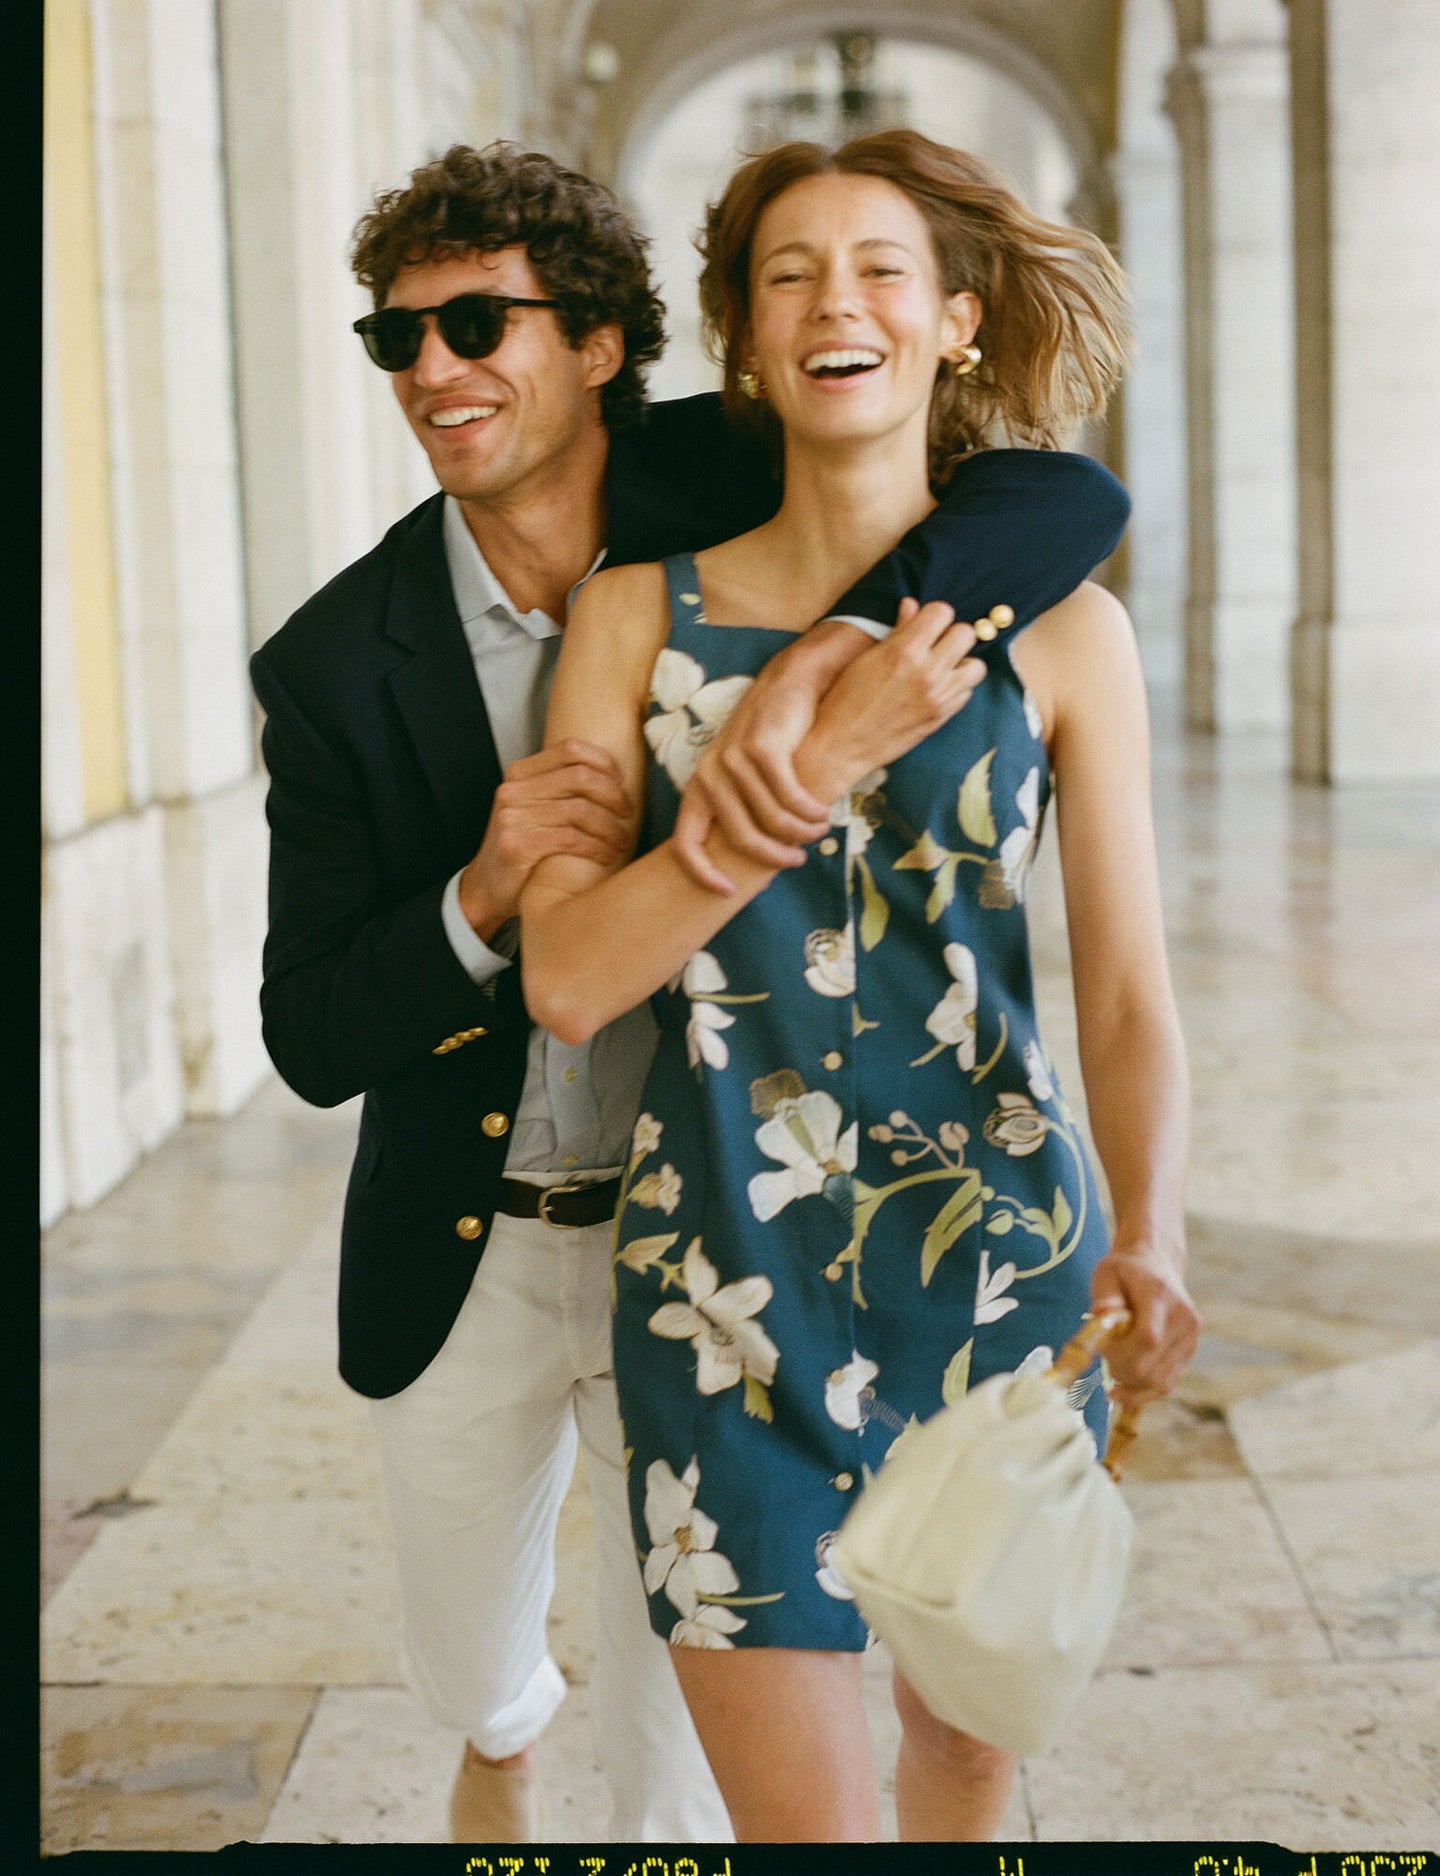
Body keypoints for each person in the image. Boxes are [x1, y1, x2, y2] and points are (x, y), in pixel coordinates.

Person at [250, 141, 1129, 1844]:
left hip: (713, 1213)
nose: (433, 369)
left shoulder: (724, 477)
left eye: (477, 324)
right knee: (471, 1656)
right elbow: (309, 1033)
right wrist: (480, 892)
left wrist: (836, 658)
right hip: (479, 1228)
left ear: (599, 346)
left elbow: (1058, 499)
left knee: (683, 1762)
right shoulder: (334, 661)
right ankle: (502, 1730)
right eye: (397, 338)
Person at [519, 130, 1200, 1844]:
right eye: (791, 275)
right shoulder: (631, 618)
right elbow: (572, 981)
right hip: (722, 1286)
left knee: (965, 1773)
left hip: (1002, 1271)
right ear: (746, 339)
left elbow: (1125, 990)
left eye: (883, 269)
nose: (839, 303)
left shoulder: (1069, 635)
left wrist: (1157, 1227)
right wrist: (805, 773)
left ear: (956, 321)